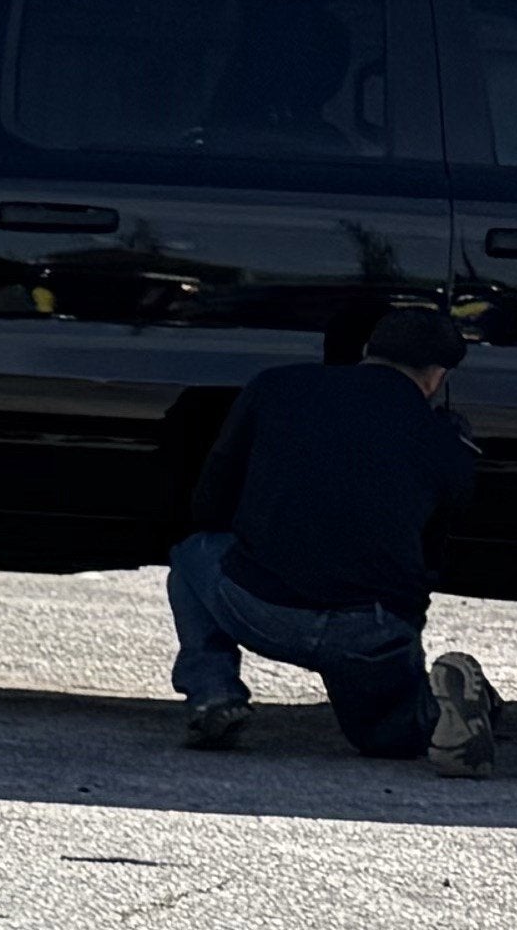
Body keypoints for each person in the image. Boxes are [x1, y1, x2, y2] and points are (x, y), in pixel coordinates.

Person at [171, 304, 496, 766]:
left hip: (262, 607)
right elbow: (432, 556)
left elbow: (210, 500)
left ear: (369, 351)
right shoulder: (448, 444)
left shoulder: (276, 387)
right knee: (385, 739)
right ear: (437, 377)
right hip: (370, 630)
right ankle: (443, 715)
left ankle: (213, 695)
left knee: (191, 554)